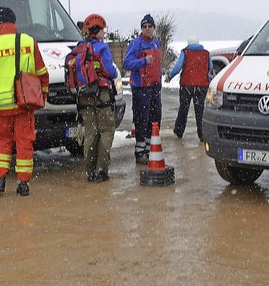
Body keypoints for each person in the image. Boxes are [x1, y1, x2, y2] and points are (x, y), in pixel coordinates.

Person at [0, 7, 49, 197]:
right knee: (24, 142)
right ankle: (23, 184)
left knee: (3, 142)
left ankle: (0, 180)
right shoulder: (28, 42)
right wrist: (42, 97)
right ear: (14, 22)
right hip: (23, 103)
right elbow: (42, 74)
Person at [78, 14, 118, 182]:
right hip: (102, 95)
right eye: (103, 30)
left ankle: (89, 171)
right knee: (106, 130)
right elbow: (111, 71)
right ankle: (102, 170)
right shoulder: (102, 48)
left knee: (91, 132)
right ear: (98, 30)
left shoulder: (80, 47)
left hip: (84, 96)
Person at [123, 14, 162, 165]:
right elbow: (127, 64)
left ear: (153, 28)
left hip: (154, 87)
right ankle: (140, 152)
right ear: (141, 28)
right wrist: (143, 61)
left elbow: (157, 65)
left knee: (155, 118)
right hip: (141, 88)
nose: (147, 29)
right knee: (141, 119)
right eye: (144, 27)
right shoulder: (136, 44)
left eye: (149, 26)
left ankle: (150, 148)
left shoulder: (156, 44)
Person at [164, 37, 212, 141]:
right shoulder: (206, 53)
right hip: (202, 85)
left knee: (183, 108)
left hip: (187, 85)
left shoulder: (185, 52)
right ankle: (202, 134)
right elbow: (211, 67)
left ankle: (179, 131)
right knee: (200, 110)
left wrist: (170, 76)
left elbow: (177, 67)